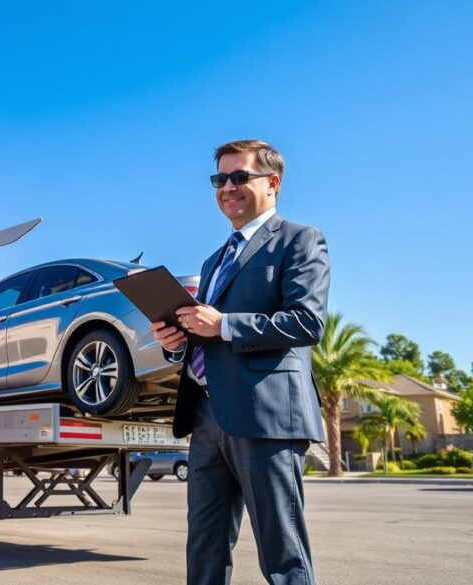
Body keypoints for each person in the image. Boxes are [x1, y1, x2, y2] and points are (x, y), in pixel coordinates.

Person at [151, 139, 329, 585]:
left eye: (238, 177)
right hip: (207, 416)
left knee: (282, 554)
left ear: (272, 183)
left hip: (267, 416)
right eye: (219, 179)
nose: (226, 187)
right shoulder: (215, 261)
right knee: (205, 548)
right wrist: (177, 341)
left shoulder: (300, 240)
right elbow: (206, 333)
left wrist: (225, 325)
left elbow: (307, 321)